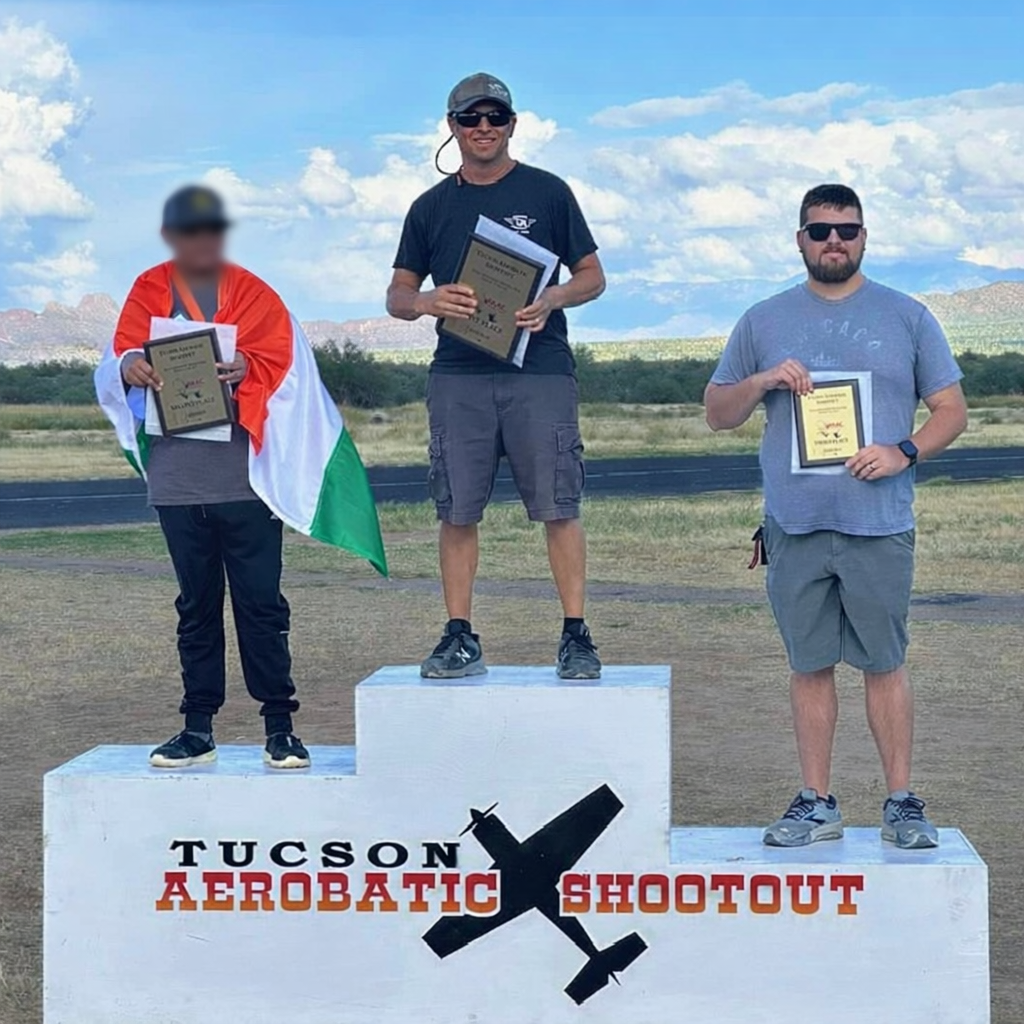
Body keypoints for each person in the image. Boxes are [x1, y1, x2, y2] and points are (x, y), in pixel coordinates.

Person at [704, 183, 968, 850]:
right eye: (820, 230)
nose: (833, 242)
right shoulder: (763, 321)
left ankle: (901, 801)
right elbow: (718, 412)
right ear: (799, 239)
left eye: (846, 230)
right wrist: (762, 381)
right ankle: (817, 802)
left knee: (884, 662)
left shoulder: (907, 317)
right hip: (795, 523)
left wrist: (901, 451)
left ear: (865, 237)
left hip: (878, 521)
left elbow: (952, 412)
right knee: (809, 664)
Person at [94, 184, 386, 770]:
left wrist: (250, 365)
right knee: (196, 605)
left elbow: (292, 367)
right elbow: (116, 359)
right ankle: (197, 728)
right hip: (178, 478)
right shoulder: (149, 289)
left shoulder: (254, 293)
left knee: (260, 605)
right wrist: (130, 364)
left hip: (246, 476)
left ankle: (280, 727)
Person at [386, 72, 607, 680]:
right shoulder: (430, 208)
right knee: (457, 509)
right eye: (470, 118)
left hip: (540, 371)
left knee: (559, 503)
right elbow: (398, 295)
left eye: (495, 118)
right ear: (451, 127)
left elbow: (593, 276)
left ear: (513, 124)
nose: (483, 129)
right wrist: (429, 302)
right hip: (459, 373)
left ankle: (575, 635)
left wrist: (553, 298)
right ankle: (459, 633)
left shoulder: (548, 192)